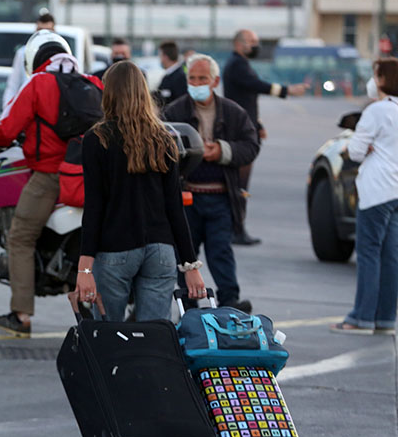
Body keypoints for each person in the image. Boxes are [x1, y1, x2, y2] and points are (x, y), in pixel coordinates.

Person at [0, 30, 103, 335]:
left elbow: (6, 128)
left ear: (33, 59)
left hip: (50, 175)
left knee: (20, 237)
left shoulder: (38, 83)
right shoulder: (93, 83)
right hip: (92, 175)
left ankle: (21, 316)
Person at [75, 60, 206, 324]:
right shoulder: (164, 139)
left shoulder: (97, 139)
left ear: (109, 93)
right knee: (155, 334)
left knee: (109, 333)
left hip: (115, 249)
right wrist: (190, 265)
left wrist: (84, 269)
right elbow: (174, 206)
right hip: (161, 250)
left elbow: (94, 207)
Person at [163, 54, 260, 314]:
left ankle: (231, 304)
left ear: (215, 81)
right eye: (192, 79)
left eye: (202, 79)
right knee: (185, 256)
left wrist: (221, 150)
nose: (196, 83)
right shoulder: (174, 112)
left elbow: (251, 146)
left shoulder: (233, 112)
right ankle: (189, 308)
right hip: (186, 198)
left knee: (221, 253)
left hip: (221, 197)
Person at [331, 58, 398, 336]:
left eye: (375, 75)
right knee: (391, 256)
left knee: (369, 253)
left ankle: (361, 317)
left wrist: (358, 147)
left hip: (376, 190)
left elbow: (356, 152)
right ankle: (385, 318)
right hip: (395, 191)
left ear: (382, 79)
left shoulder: (376, 110)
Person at [223, 29, 308, 246]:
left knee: (240, 184)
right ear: (239, 44)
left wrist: (258, 124)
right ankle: (236, 229)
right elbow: (256, 86)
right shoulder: (237, 65)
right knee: (239, 184)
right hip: (240, 133)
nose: (256, 45)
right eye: (252, 41)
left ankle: (237, 227)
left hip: (245, 127)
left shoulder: (241, 64)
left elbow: (247, 98)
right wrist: (286, 91)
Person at [2, 12, 56, 108]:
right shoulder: (23, 53)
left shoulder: (61, 55)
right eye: (40, 30)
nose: (43, 34)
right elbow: (13, 85)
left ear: (54, 31)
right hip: (28, 105)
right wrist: (7, 109)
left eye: (47, 30)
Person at [156, 40, 187, 105]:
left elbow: (181, 103)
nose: (160, 60)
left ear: (165, 57)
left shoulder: (181, 77)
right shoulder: (167, 76)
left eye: (160, 56)